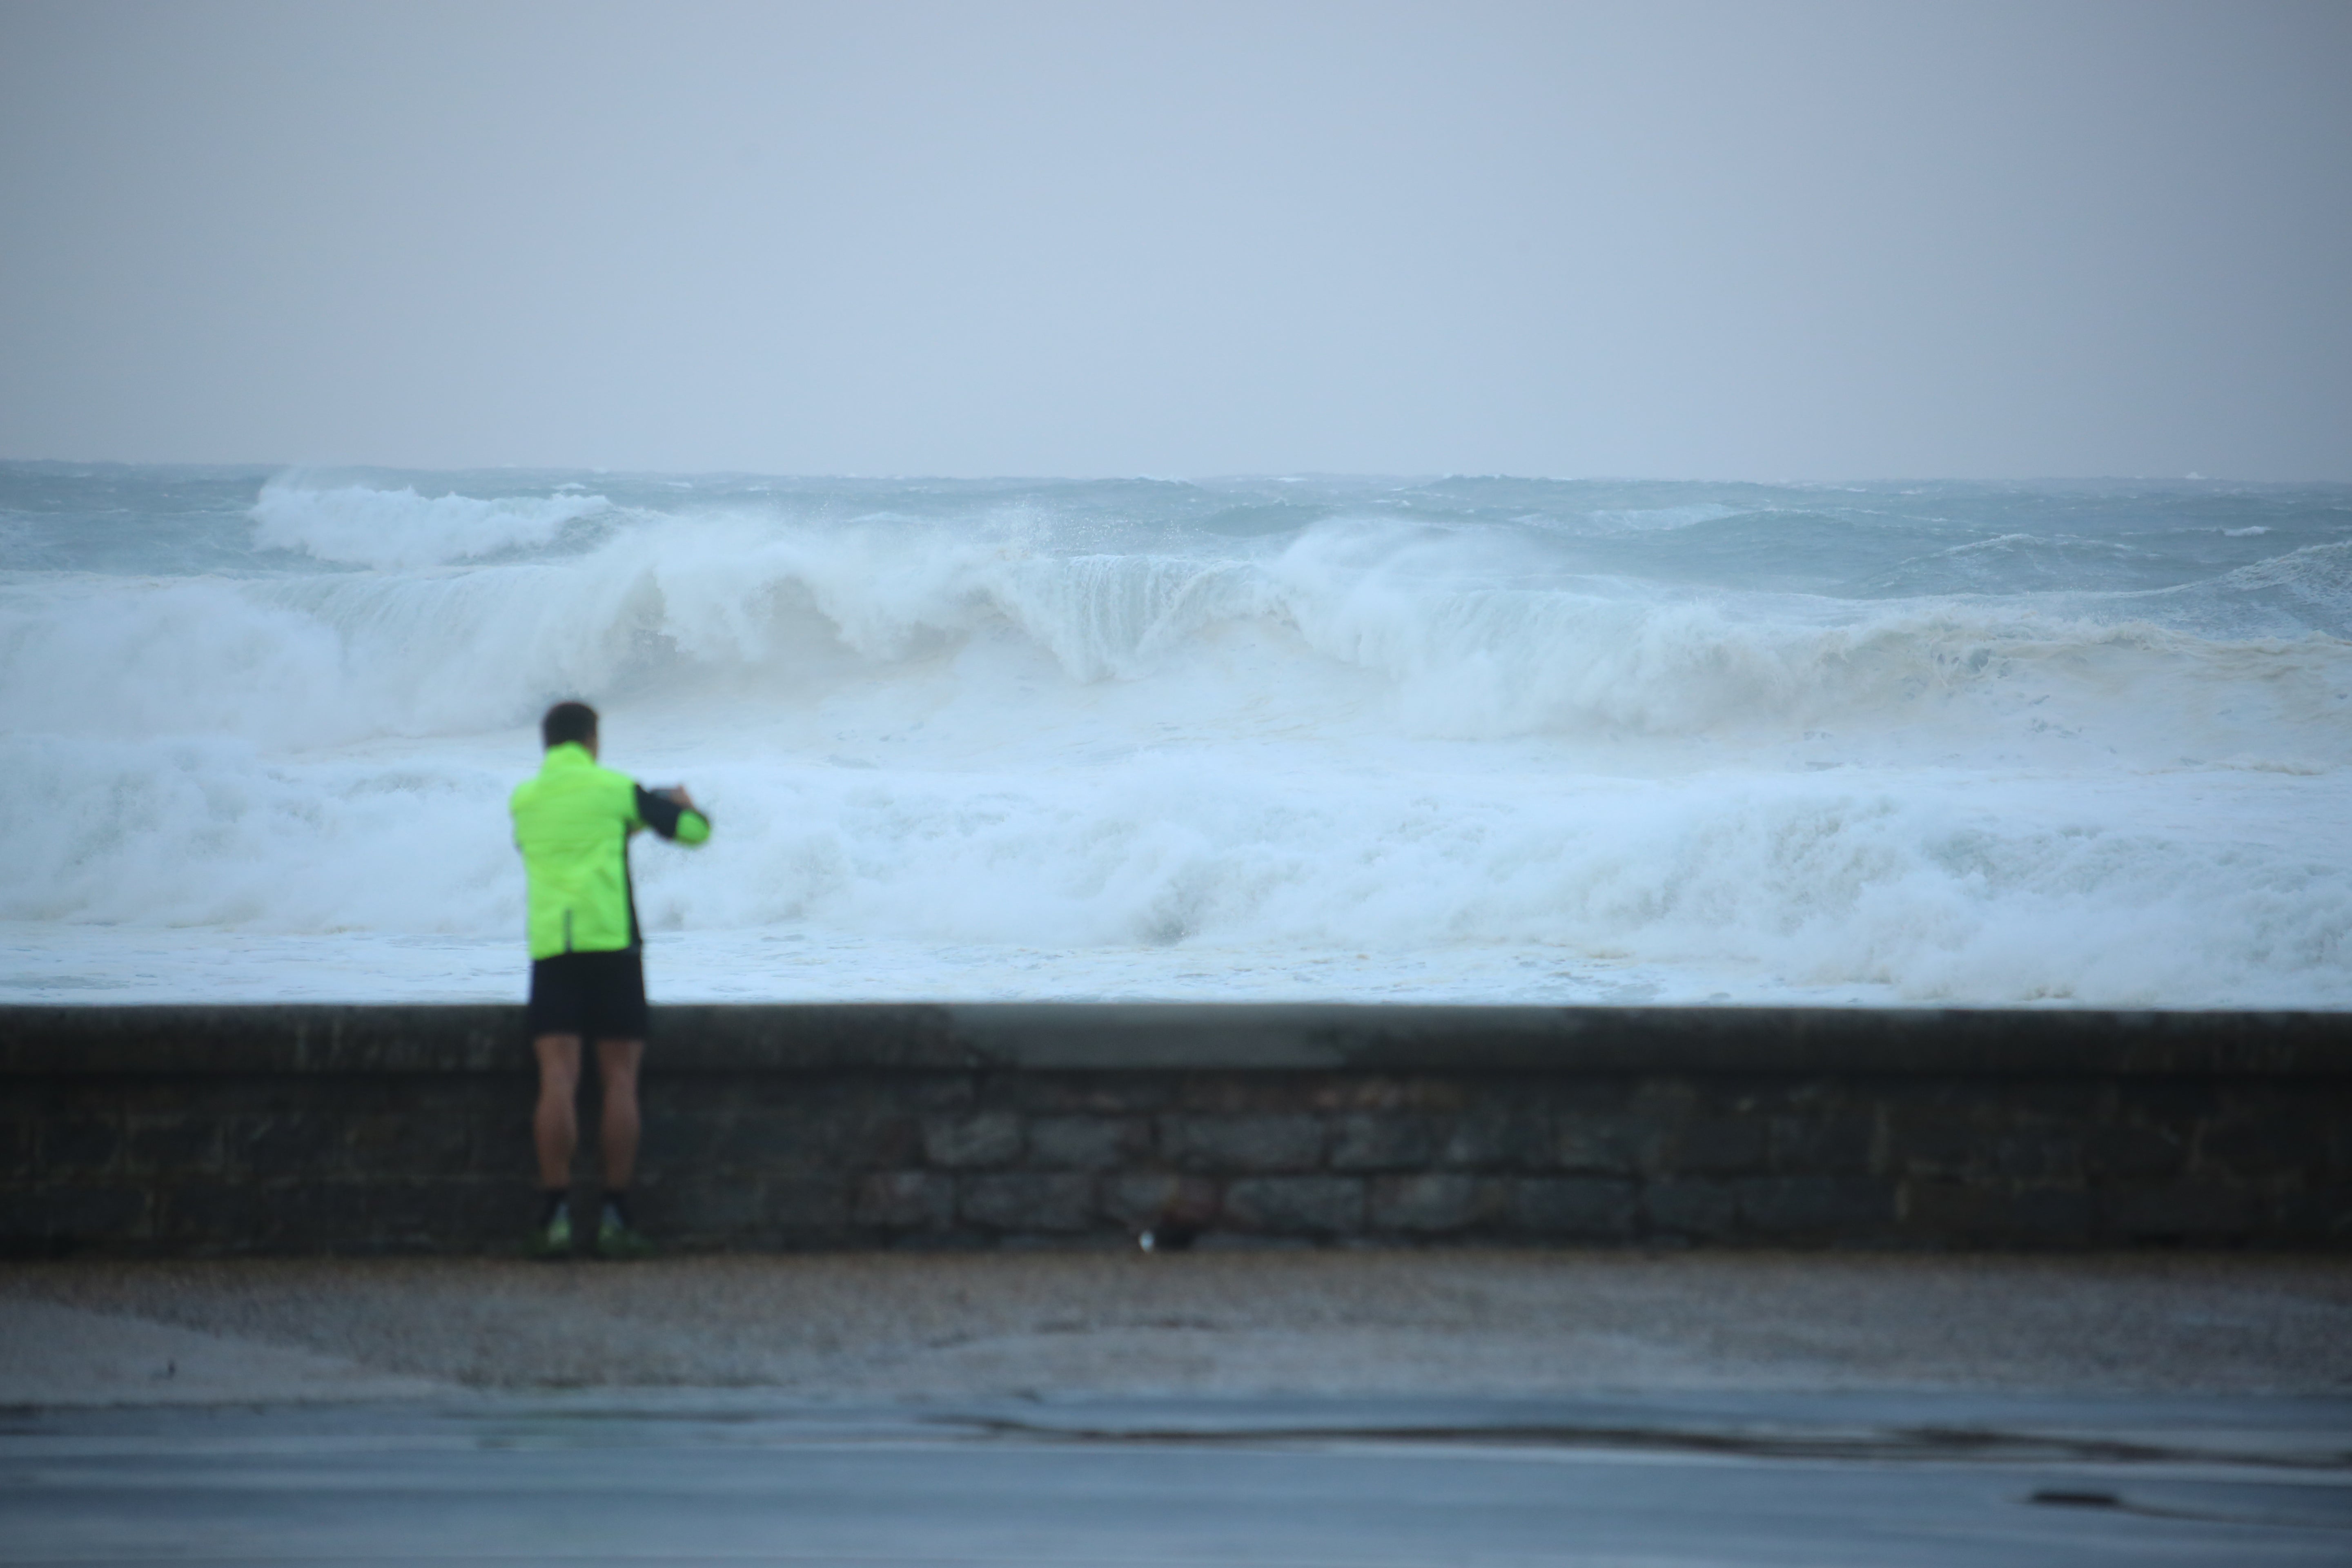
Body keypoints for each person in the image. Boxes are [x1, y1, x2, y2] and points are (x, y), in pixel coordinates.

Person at [510, 701, 711, 1259]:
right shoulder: (618, 790)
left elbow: (554, 851)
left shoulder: (525, 800)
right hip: (614, 950)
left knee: (558, 1079)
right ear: (592, 740)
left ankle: (553, 1216)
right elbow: (694, 833)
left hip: (554, 950)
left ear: (547, 744)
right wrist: (680, 807)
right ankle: (615, 1217)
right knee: (619, 1081)